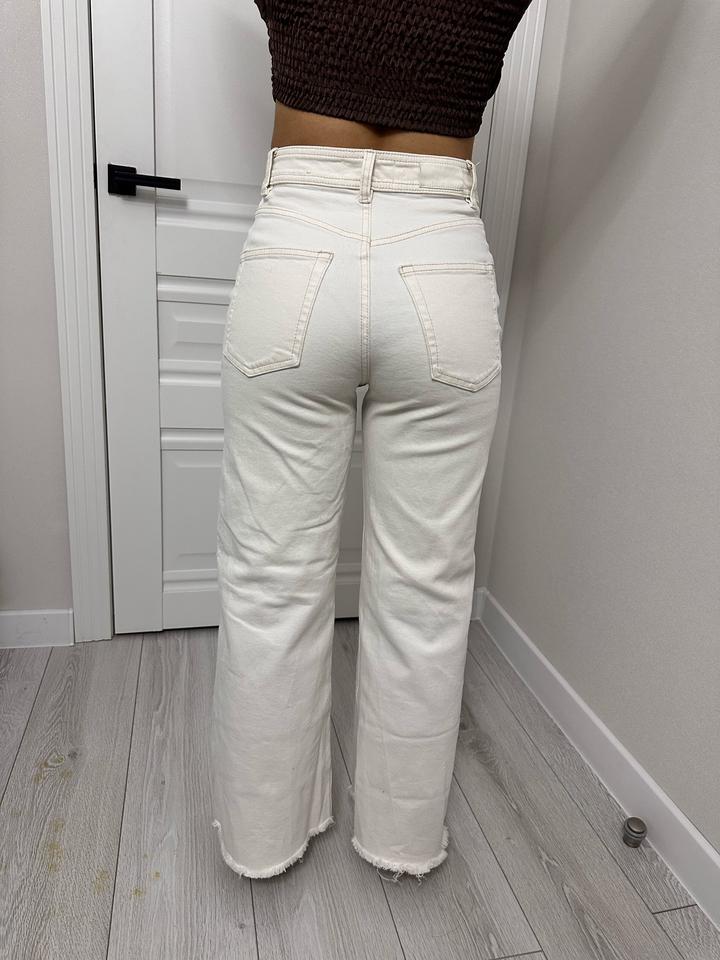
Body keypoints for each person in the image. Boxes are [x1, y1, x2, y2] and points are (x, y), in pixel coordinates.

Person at [210, 0, 533, 881]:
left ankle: (263, 838)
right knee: (428, 587)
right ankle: (402, 839)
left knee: (269, 579)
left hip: (297, 246)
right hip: (441, 259)